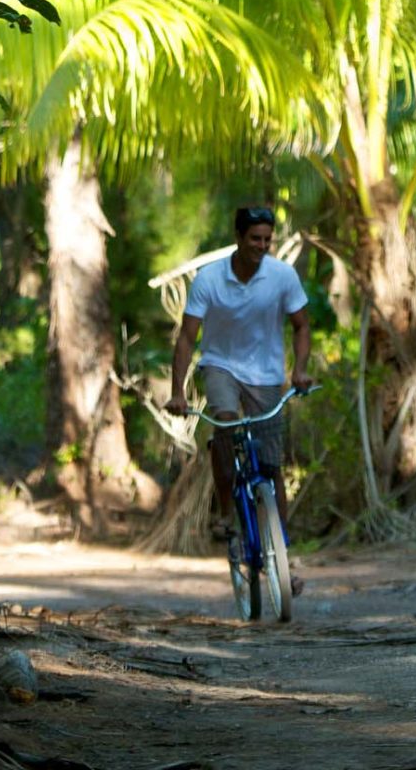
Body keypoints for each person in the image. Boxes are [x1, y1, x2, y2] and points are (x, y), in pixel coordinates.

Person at [166, 204, 313, 572]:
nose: (262, 246)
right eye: (254, 239)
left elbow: (301, 326)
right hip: (220, 365)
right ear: (238, 238)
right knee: (226, 420)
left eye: (267, 240)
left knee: (270, 464)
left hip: (266, 375)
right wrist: (178, 391)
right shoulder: (210, 279)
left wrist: (300, 371)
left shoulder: (282, 277)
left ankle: (282, 556)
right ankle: (227, 510)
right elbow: (186, 338)